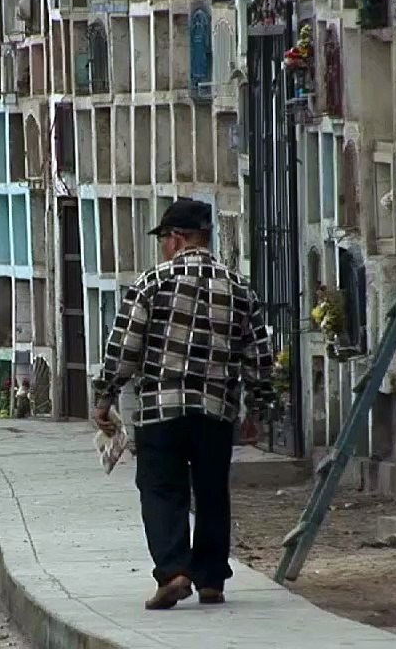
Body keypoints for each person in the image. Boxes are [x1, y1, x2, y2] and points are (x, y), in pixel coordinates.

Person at [92, 198, 276, 610]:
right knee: (212, 492)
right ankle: (211, 579)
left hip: (161, 409)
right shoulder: (238, 287)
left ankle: (174, 572)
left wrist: (104, 397)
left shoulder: (151, 283)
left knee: (160, 490)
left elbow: (125, 347)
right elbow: (258, 355)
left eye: (164, 239)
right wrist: (258, 411)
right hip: (216, 409)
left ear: (175, 238)